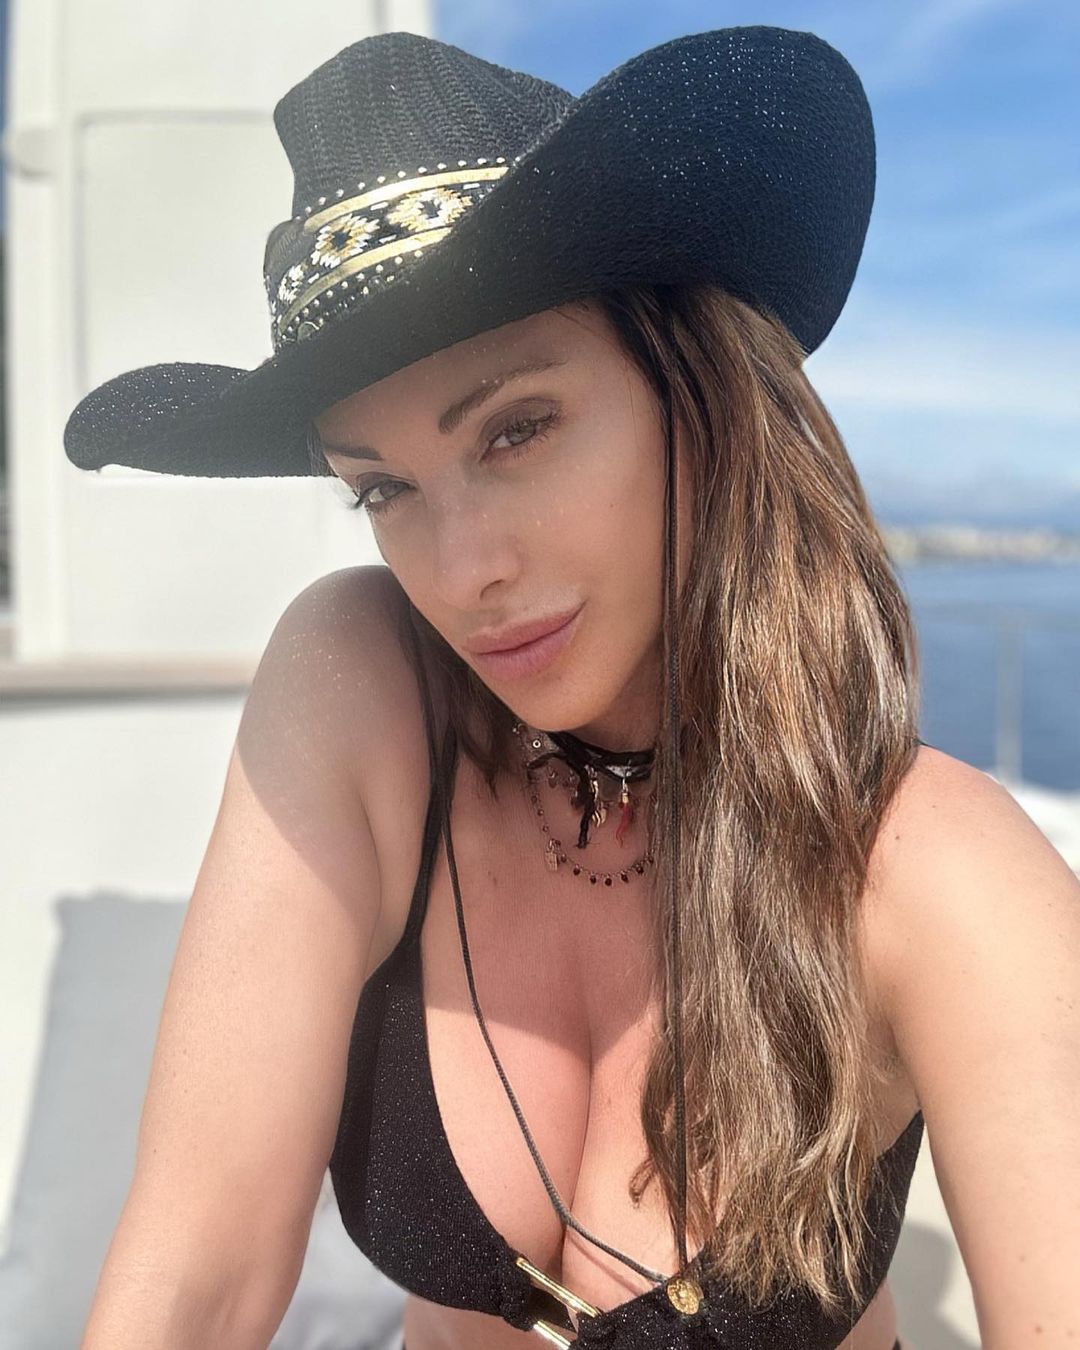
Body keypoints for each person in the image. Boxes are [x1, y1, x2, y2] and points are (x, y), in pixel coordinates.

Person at [63, 27, 1079, 1350]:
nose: (462, 570)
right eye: (383, 487)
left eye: (518, 428)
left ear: (695, 395)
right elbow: (196, 1276)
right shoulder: (366, 687)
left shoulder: (933, 870)